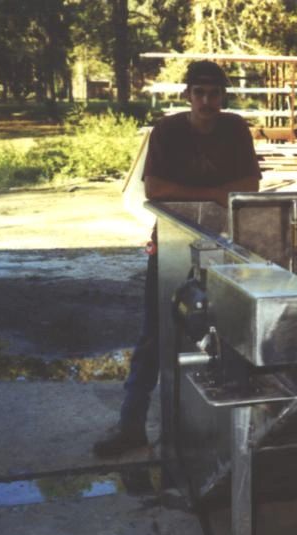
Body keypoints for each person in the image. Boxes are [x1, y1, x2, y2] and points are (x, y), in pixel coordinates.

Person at [93, 60, 261, 458]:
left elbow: (250, 185)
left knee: (230, 330)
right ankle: (131, 424)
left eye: (214, 93)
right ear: (187, 95)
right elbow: (155, 188)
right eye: (199, 93)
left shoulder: (235, 128)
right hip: (170, 240)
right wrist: (215, 192)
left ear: (224, 96)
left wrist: (189, 195)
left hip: (225, 240)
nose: (207, 101)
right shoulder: (167, 130)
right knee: (155, 333)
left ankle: (227, 428)